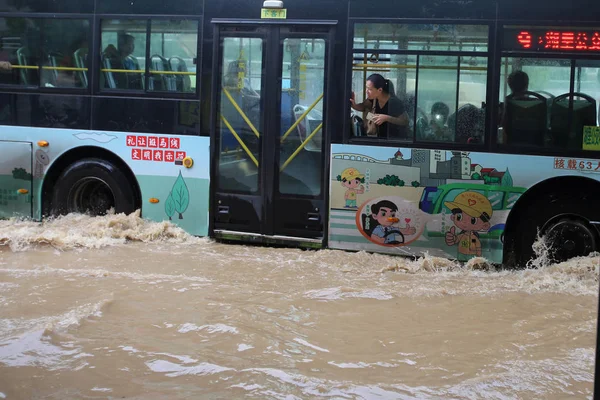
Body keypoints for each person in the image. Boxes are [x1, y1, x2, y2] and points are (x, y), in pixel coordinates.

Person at [350, 73, 409, 139]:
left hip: (395, 139)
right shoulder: (373, 99)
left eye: (370, 89)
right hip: (380, 138)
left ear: (380, 90)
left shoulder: (394, 102)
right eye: (366, 88)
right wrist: (354, 105)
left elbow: (405, 121)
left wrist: (386, 118)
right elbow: (363, 106)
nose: (367, 91)